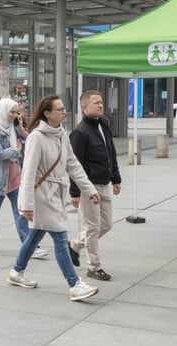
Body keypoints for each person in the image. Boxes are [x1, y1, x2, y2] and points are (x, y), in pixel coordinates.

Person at [9, 94, 100, 302]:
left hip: (55, 194)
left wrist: (89, 189)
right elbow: (29, 173)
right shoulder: (36, 137)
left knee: (35, 236)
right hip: (41, 196)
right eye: (59, 109)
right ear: (47, 113)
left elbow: (73, 165)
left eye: (63, 109)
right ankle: (74, 284)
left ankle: (16, 270)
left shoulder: (61, 135)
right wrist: (26, 204)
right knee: (60, 237)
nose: (63, 112)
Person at [0, 97, 46, 259]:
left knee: (21, 211)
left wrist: (21, 128)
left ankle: (30, 246)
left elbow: (29, 142)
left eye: (17, 113)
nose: (14, 115)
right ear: (3, 111)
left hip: (16, 176)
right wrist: (16, 151)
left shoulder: (13, 128)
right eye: (12, 112)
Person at [68, 90, 122, 282]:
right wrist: (75, 191)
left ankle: (74, 245)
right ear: (84, 107)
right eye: (95, 103)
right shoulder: (80, 132)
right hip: (88, 187)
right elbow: (74, 165)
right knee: (92, 227)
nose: (100, 105)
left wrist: (116, 178)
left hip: (105, 183)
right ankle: (94, 266)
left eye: (101, 102)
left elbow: (111, 153)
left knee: (106, 225)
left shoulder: (104, 125)